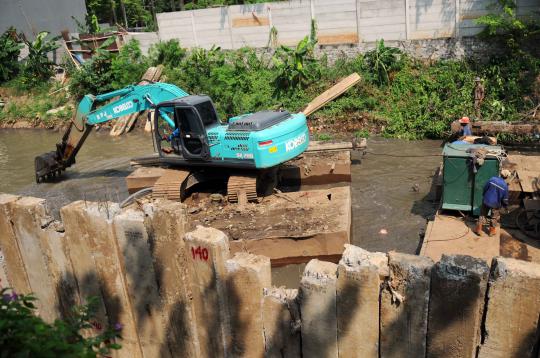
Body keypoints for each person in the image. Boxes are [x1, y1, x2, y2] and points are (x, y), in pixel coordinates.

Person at [474, 169, 510, 237]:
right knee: (494, 217)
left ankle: (478, 229)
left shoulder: (492, 179)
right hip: (496, 204)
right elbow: (505, 199)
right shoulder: (505, 186)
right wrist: (505, 206)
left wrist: (484, 195)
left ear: (500, 174)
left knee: (482, 214)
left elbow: (485, 188)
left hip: (486, 200)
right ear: (506, 177)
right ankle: (491, 232)